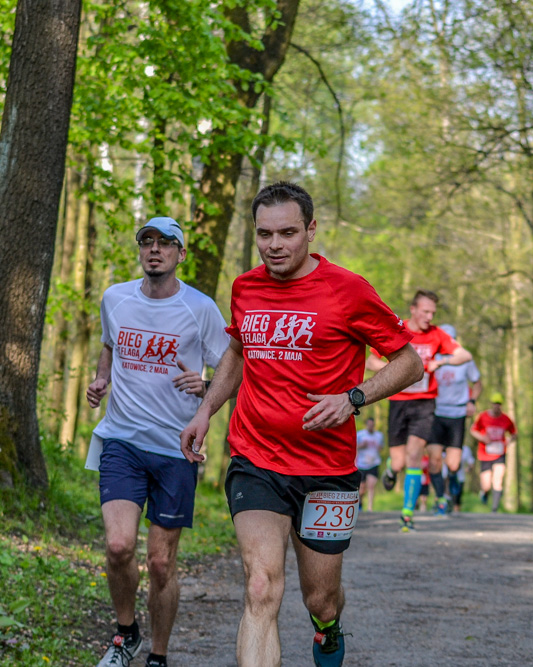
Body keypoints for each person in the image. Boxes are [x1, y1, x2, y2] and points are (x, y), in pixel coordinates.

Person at [179, 182, 422, 667]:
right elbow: (237, 351)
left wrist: (353, 398)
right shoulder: (245, 286)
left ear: (311, 230)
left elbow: (409, 362)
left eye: (287, 233)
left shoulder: (348, 290)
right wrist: (206, 409)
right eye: (265, 234)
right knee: (260, 585)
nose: (275, 245)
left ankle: (327, 632)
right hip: (257, 457)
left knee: (320, 599)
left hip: (328, 469)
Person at [85, 217, 230, 667]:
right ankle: (126, 634)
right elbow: (110, 343)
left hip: (175, 449)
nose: (155, 250)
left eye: (166, 243)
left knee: (162, 564)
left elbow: (233, 369)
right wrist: (101, 378)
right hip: (121, 441)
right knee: (118, 546)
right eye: (147, 241)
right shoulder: (115, 298)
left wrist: (205, 388)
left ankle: (159, 656)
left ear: (180, 254)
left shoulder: (201, 309)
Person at [368, 291, 472, 532]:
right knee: (399, 460)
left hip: (425, 403)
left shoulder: (437, 334)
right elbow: (370, 361)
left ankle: (407, 514)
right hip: (398, 401)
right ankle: (392, 470)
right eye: (425, 312)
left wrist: (442, 361)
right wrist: (391, 368)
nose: (429, 316)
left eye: (433, 313)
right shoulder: (398, 329)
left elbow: (464, 355)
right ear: (413, 310)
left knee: (415, 454)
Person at [427, 324, 482, 514]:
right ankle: (441, 498)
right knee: (434, 460)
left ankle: (453, 484)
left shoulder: (464, 361)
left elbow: (477, 383)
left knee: (453, 464)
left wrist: (472, 401)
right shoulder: (431, 359)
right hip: (435, 412)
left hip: (457, 414)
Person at [470, 393, 518, 513]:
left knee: (498, 479)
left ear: (501, 405)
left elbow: (514, 434)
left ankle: (495, 508)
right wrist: (482, 438)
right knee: (486, 484)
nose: (497, 406)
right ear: (491, 404)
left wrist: (509, 440)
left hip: (499, 453)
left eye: (499, 404)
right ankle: (485, 493)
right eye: (495, 404)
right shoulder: (483, 417)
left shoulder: (506, 419)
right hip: (485, 454)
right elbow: (473, 430)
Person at [355, 417, 383, 512]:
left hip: (374, 463)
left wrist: (379, 447)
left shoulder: (379, 435)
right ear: (366, 425)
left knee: (371, 486)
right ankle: (360, 502)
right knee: (362, 488)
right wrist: (361, 446)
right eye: (369, 424)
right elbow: (354, 447)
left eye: (372, 425)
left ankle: (370, 507)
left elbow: (381, 448)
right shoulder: (360, 435)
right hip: (362, 464)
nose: (371, 426)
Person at [452, 444, 476, 512]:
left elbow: (471, 461)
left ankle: (456, 512)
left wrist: (469, 468)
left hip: (460, 476)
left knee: (458, 496)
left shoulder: (466, 449)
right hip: (447, 476)